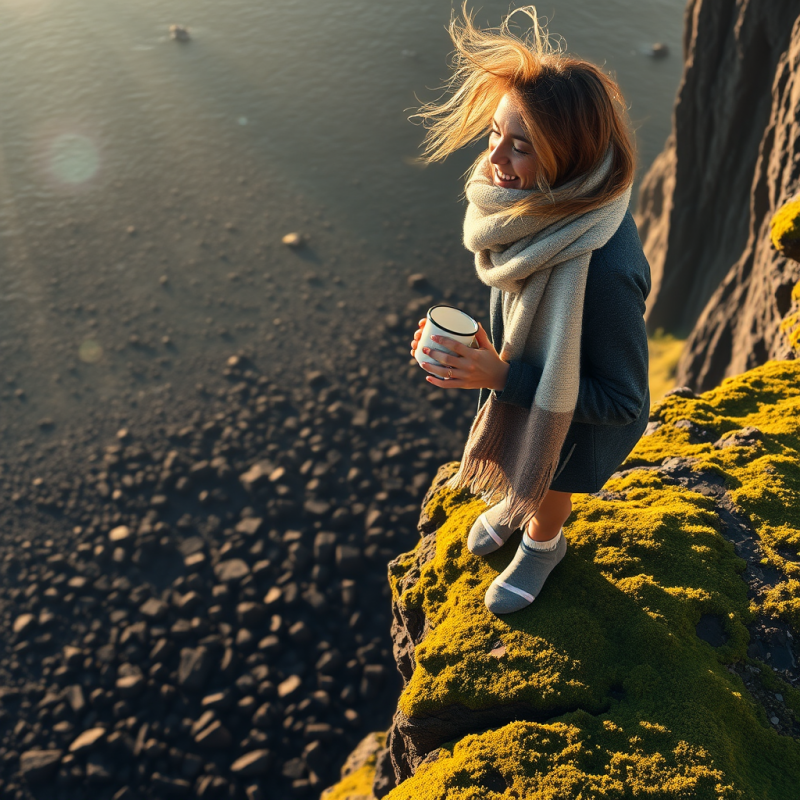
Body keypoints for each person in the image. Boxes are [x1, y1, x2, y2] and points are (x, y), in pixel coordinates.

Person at [408, 5, 651, 615]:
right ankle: (517, 503)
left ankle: (543, 545)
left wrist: (501, 378)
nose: (496, 159)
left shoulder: (607, 267)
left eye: (521, 147)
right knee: (529, 471)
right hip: (530, 381)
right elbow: (527, 313)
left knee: (551, 484)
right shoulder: (536, 211)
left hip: (575, 424)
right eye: (495, 134)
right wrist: (482, 358)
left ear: (567, 156)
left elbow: (624, 403)